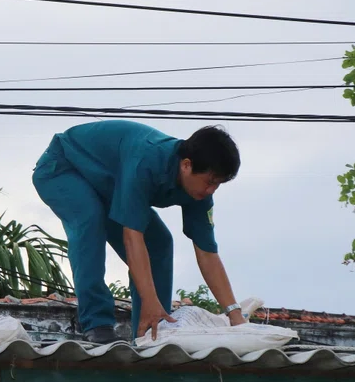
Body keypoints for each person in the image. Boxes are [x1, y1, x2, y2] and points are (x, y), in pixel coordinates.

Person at [32, 120, 244, 344]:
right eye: (209, 182)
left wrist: (235, 315)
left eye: (217, 185)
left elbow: (207, 253)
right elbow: (133, 237)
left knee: (159, 244)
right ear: (186, 165)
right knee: (90, 218)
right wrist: (149, 300)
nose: (211, 190)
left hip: (108, 186)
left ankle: (152, 332)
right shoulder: (147, 160)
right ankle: (97, 323)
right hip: (64, 168)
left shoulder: (200, 193)